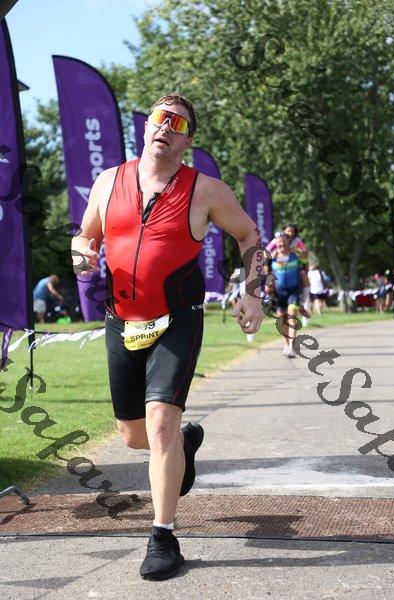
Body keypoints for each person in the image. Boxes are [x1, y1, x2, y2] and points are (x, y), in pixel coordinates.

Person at [71, 93, 264, 581]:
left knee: (158, 425)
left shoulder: (206, 191)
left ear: (187, 140)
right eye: (160, 118)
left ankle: (163, 536)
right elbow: (85, 236)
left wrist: (253, 292)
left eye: (177, 124)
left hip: (178, 317)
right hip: (122, 320)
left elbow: (249, 236)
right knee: (133, 435)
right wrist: (81, 255)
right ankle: (183, 445)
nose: (165, 127)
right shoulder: (107, 181)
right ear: (146, 127)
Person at [265, 233, 301, 358]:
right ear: (275, 243)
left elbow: (305, 252)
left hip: (294, 290)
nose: (282, 244)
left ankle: (291, 346)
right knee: (282, 319)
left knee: (292, 314)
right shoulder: (271, 258)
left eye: (284, 241)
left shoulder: (295, 254)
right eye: (279, 241)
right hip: (278, 293)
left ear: (288, 242)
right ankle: (286, 344)